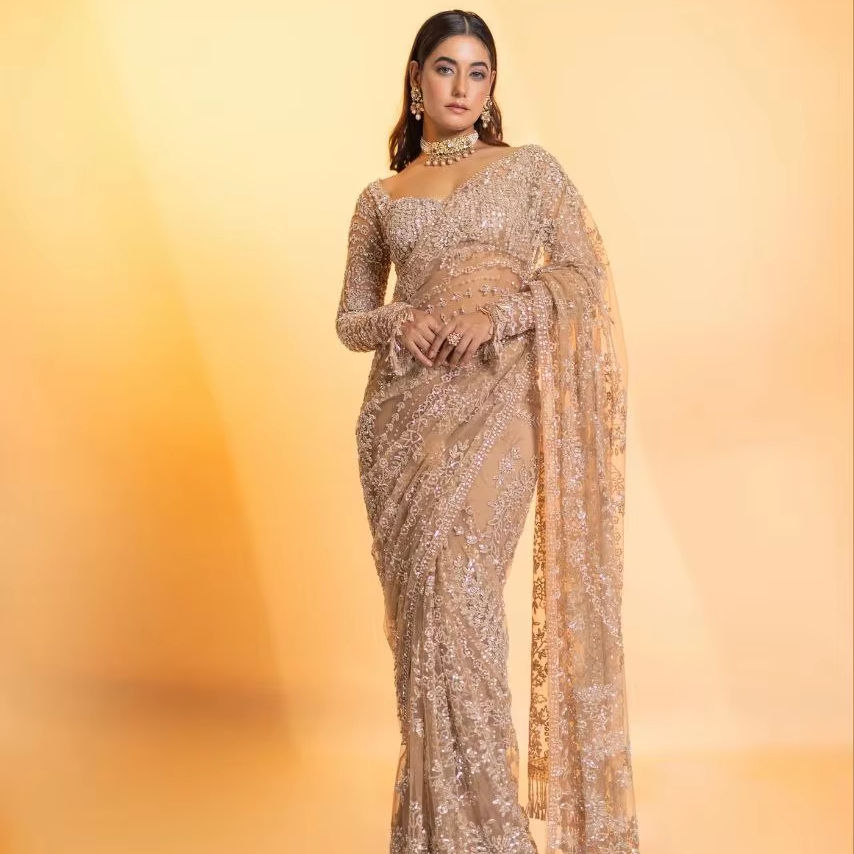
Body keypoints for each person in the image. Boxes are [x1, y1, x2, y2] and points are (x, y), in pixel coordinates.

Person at [335, 10, 640, 854]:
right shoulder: (380, 198)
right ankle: (438, 835)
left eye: (477, 72)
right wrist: (398, 319)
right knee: (424, 627)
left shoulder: (530, 171)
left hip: (498, 409)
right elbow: (350, 319)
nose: (462, 87)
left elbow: (582, 277)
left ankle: (493, 834)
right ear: (416, 78)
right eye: (446, 69)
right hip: (400, 426)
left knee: (463, 608)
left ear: (492, 85)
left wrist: (500, 317)